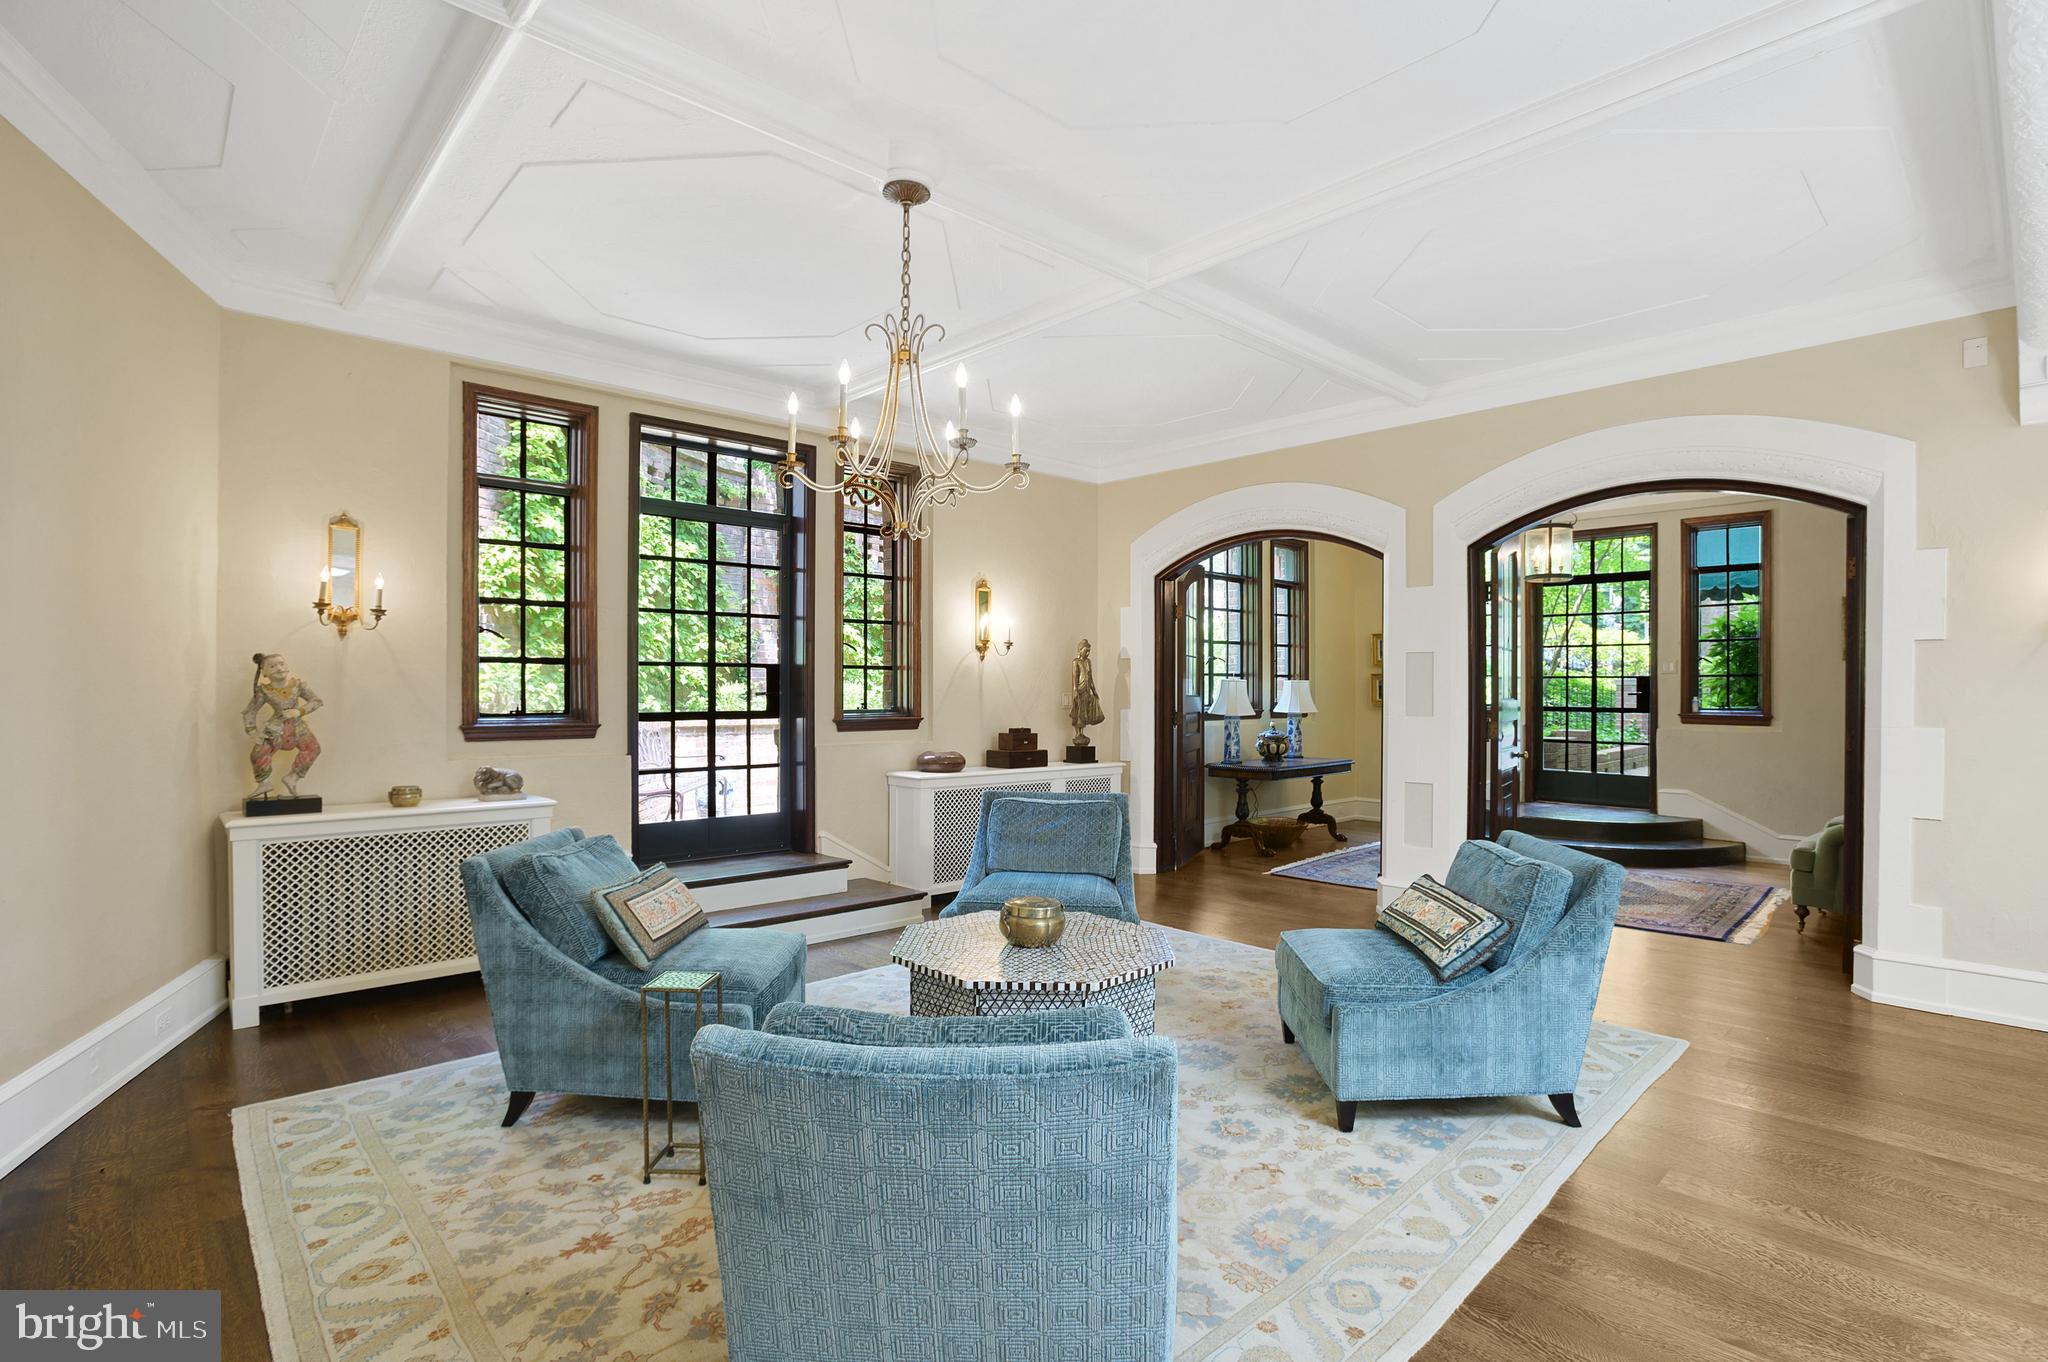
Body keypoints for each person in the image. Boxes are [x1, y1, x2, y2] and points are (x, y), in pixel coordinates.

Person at [243, 652, 323, 799]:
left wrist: (299, 711)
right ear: (264, 672)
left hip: (298, 728)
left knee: (313, 748)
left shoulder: (298, 685)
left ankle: (293, 777)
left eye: (282, 664)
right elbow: (250, 712)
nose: (279, 668)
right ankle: (264, 783)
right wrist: (253, 732)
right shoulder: (264, 691)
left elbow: (316, 701)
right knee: (258, 753)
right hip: (275, 730)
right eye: (272, 666)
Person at [1069, 638, 1105, 746]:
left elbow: (1090, 677)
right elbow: (1075, 678)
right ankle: (1078, 733)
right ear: (1080, 650)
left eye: (1089, 651)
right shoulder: (1076, 662)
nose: (1088, 653)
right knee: (1079, 711)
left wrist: (1094, 691)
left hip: (1087, 690)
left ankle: (1082, 732)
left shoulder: (1088, 662)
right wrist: (1075, 691)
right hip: (1080, 690)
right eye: (1086, 651)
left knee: (1085, 711)